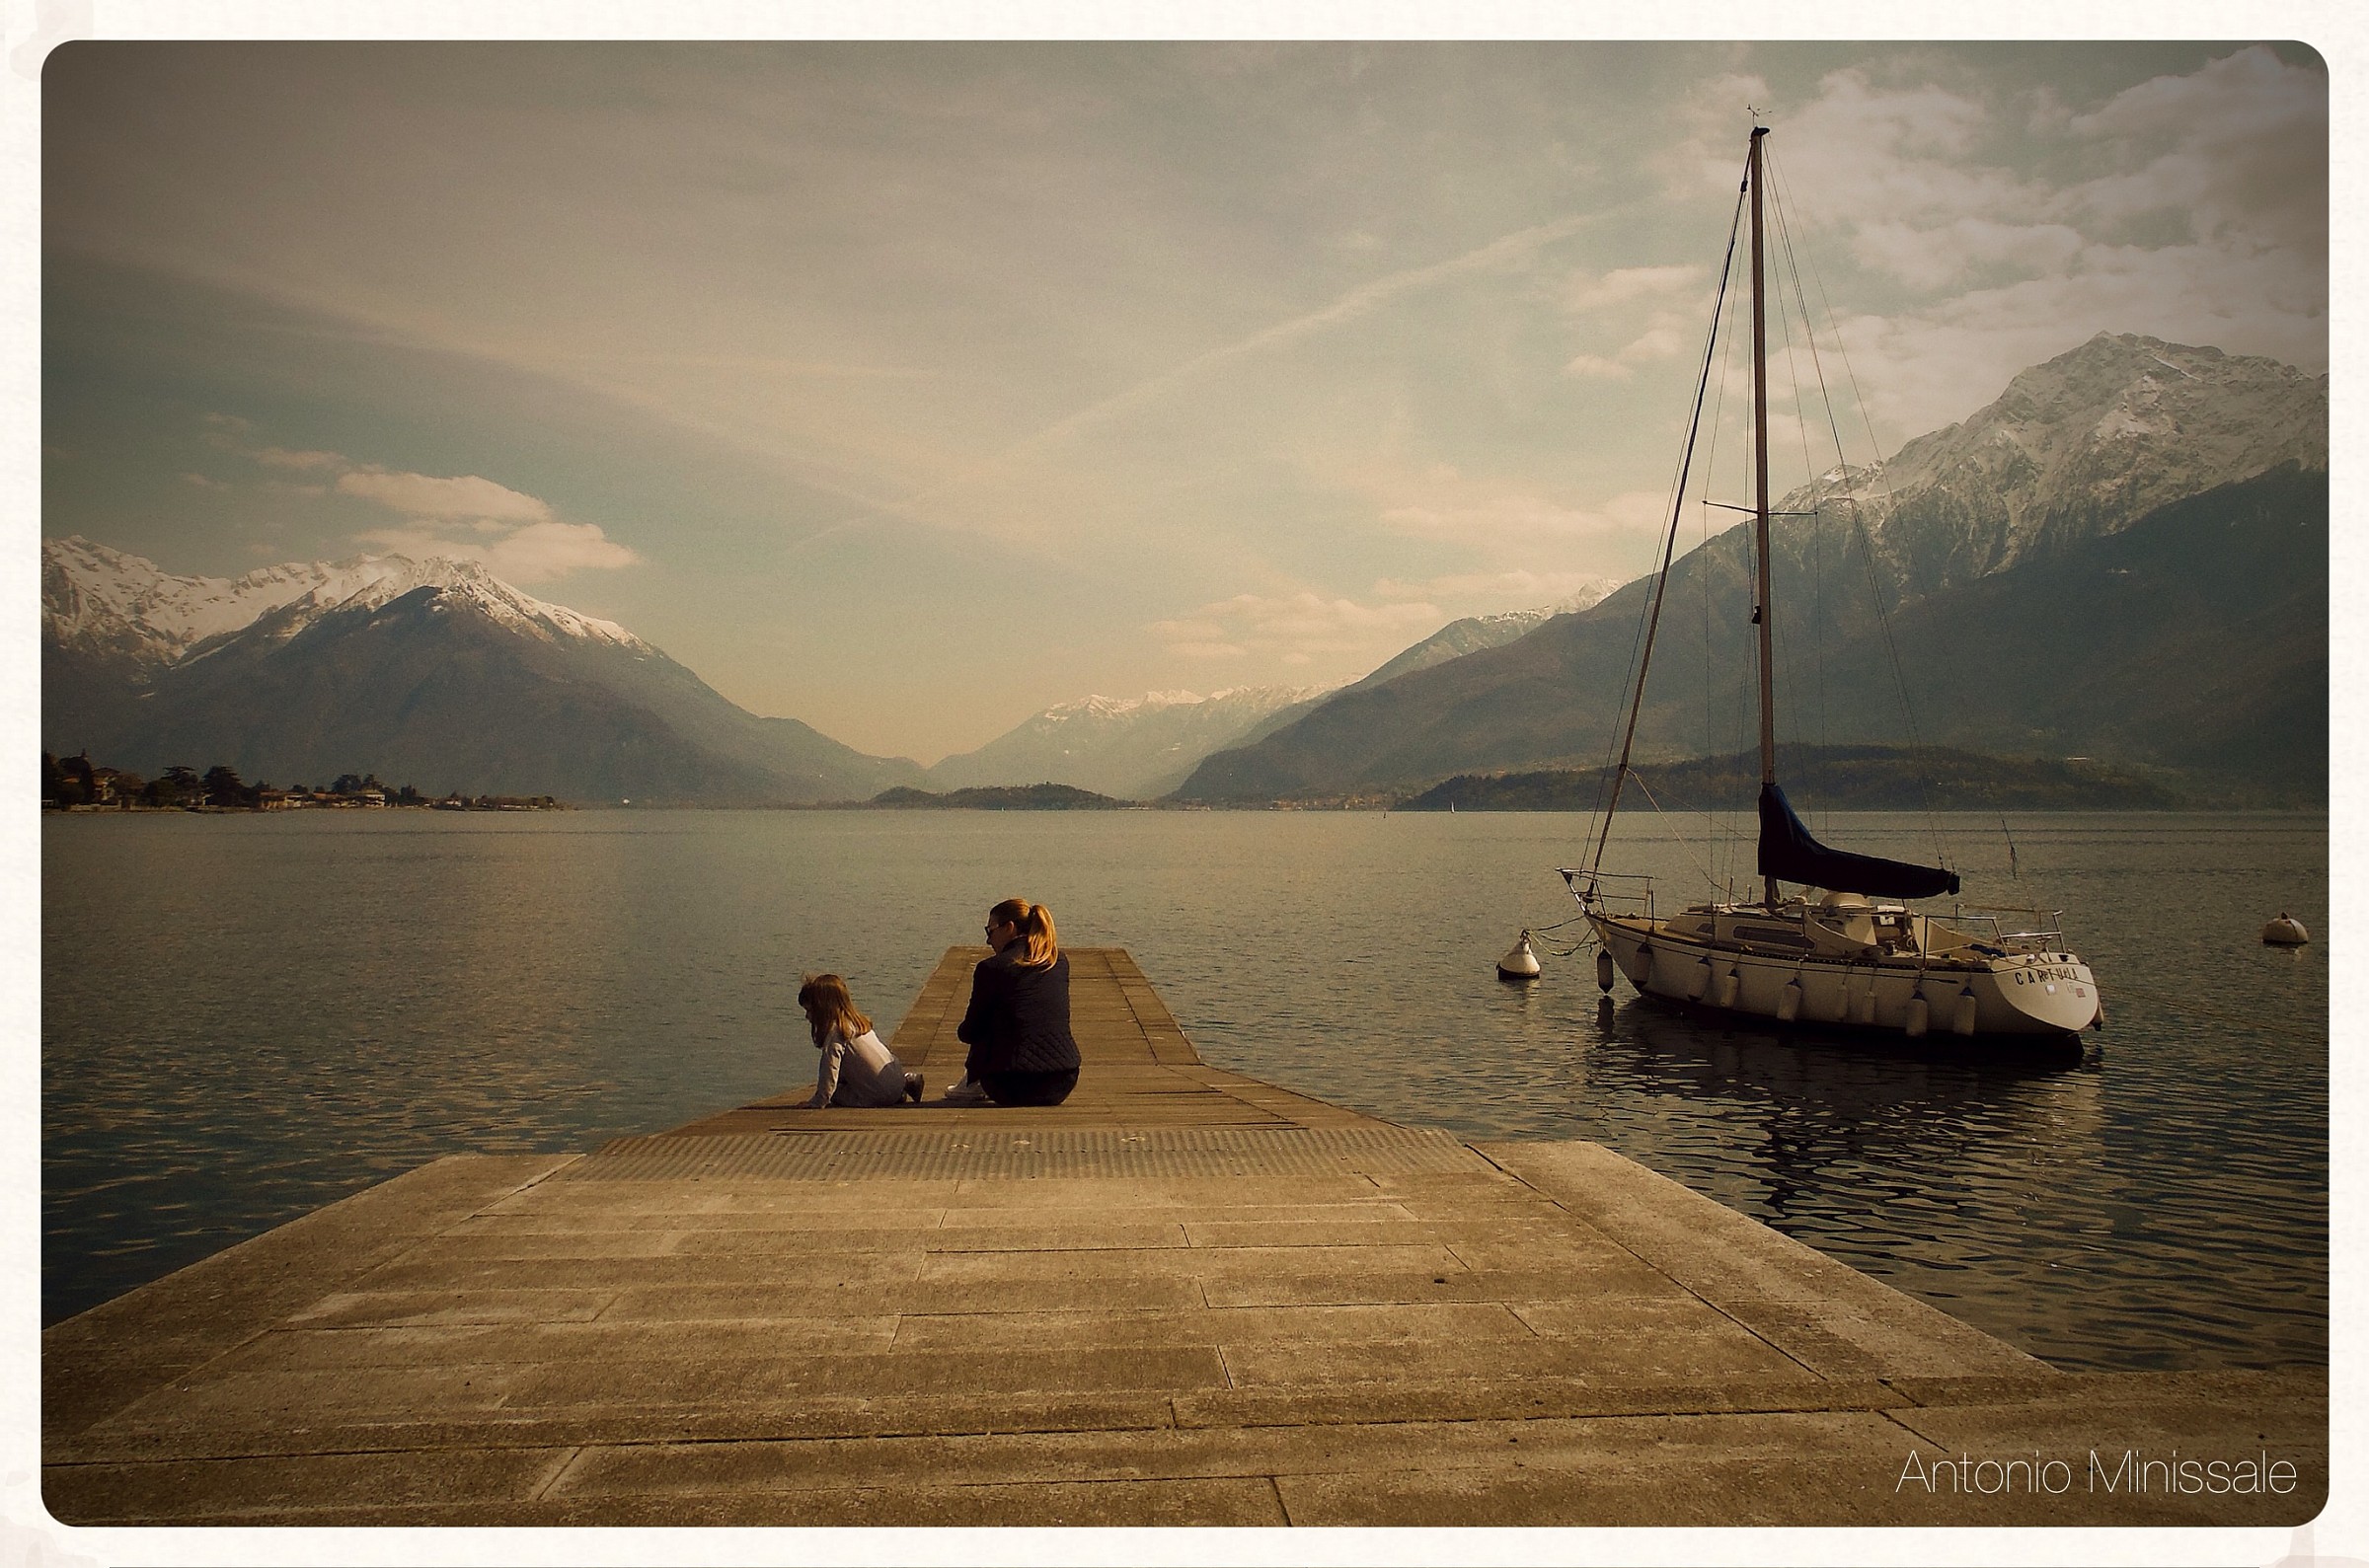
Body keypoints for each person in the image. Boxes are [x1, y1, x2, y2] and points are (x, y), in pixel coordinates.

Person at [945, 899, 1081, 1106]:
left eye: (990, 931)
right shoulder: (1057, 961)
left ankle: (971, 1084)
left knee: (988, 1020)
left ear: (1009, 927)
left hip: (1009, 1085)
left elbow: (970, 1032)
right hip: (1062, 1080)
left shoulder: (991, 968)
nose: (988, 941)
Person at [798, 973, 923, 1108]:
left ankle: (891, 1094)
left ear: (823, 1008)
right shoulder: (858, 1024)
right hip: (897, 1083)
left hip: (877, 1097)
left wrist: (818, 1101)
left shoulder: (836, 1033)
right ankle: (907, 1082)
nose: (807, 1016)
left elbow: (830, 1069)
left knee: (836, 1092)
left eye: (810, 1010)